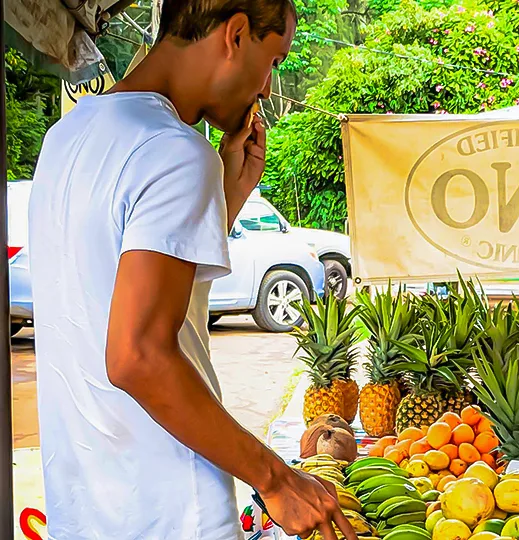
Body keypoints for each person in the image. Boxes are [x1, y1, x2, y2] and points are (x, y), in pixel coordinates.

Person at [28, 1, 356, 539]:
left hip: (85, 509)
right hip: (173, 512)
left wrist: (226, 192)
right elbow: (136, 358)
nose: (268, 89)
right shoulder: (175, 151)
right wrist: (275, 479)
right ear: (236, 34)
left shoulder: (67, 137)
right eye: (274, 61)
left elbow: (127, 290)